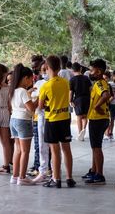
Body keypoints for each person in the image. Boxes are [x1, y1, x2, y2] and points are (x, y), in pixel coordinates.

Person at [39, 55, 75, 188]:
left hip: (52, 120)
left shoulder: (46, 86)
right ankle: (69, 178)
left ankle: (56, 178)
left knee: (55, 151)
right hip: (65, 118)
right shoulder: (66, 82)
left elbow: (41, 106)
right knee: (67, 149)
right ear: (59, 67)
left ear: (47, 67)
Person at [83, 59, 111, 185]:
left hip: (98, 119)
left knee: (97, 147)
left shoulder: (100, 83)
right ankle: (94, 170)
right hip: (96, 119)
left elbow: (106, 95)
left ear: (99, 71)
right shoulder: (99, 83)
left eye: (92, 70)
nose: (90, 72)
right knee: (94, 147)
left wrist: (96, 107)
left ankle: (99, 174)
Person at [9, 64, 37, 185]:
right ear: (26, 78)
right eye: (31, 79)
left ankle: (15, 176)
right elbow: (31, 108)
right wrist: (39, 100)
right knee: (25, 151)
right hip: (23, 121)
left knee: (18, 150)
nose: (32, 81)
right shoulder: (23, 91)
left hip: (14, 120)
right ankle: (22, 177)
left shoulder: (14, 90)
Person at [31, 61, 51, 183]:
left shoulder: (53, 83)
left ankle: (49, 169)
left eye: (46, 69)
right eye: (42, 70)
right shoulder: (38, 83)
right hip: (38, 117)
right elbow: (34, 99)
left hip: (50, 117)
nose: (44, 72)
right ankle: (40, 168)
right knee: (39, 145)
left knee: (50, 146)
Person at [69, 62, 92, 141]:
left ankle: (79, 133)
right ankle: (84, 130)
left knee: (79, 117)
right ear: (81, 69)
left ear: (72, 70)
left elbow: (71, 92)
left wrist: (70, 101)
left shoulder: (72, 79)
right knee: (85, 116)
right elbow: (90, 89)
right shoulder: (86, 78)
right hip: (87, 98)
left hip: (78, 99)